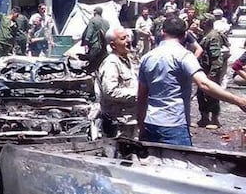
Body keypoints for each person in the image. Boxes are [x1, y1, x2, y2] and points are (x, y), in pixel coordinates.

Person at [137, 17, 246, 146]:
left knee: (151, 164)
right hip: (174, 124)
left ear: (162, 32)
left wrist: (141, 125)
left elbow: (141, 96)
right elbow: (204, 84)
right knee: (180, 165)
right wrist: (238, 100)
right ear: (184, 35)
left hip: (151, 122)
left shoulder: (147, 57)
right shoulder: (184, 56)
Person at [97, 27, 138, 138]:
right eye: (123, 38)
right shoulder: (111, 63)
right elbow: (110, 91)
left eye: (128, 37)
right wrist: (138, 93)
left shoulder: (127, 60)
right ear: (113, 45)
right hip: (119, 123)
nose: (128, 41)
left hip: (130, 120)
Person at [197, 15, 227, 129]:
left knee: (213, 94)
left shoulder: (213, 36)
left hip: (211, 71)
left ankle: (214, 120)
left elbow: (216, 58)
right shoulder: (205, 35)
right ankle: (204, 118)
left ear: (205, 22)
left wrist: (212, 75)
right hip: (203, 70)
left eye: (201, 21)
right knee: (201, 94)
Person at [81, 7, 109, 72]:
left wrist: (86, 41)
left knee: (92, 62)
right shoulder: (106, 22)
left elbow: (89, 32)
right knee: (100, 62)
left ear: (95, 12)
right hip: (104, 46)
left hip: (95, 44)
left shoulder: (93, 20)